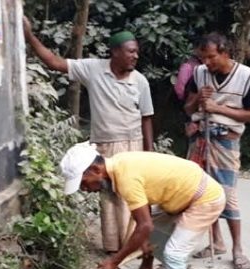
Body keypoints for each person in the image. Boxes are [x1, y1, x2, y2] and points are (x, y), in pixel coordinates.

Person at [59, 141, 225, 269]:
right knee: (148, 225)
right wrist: (140, 242)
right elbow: (145, 218)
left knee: (174, 255)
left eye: (84, 182)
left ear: (95, 169)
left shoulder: (125, 177)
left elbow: (144, 227)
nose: (85, 189)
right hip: (181, 196)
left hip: (204, 199)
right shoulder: (119, 167)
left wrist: (114, 261)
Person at [23, 17, 154, 253]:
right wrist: (29, 35)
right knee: (108, 196)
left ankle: (133, 248)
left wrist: (149, 151)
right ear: (115, 52)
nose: (135, 56)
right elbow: (54, 62)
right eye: (130, 52)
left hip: (133, 143)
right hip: (104, 143)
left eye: (137, 52)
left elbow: (147, 117)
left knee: (130, 195)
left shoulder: (140, 82)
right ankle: (113, 247)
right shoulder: (93, 69)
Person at [183, 32, 250, 269]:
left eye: (211, 57)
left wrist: (218, 107)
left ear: (225, 52)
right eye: (203, 57)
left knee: (227, 195)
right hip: (200, 139)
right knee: (203, 192)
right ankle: (215, 242)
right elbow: (188, 108)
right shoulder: (199, 73)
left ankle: (238, 248)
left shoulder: (248, 77)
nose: (207, 62)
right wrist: (198, 99)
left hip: (226, 141)